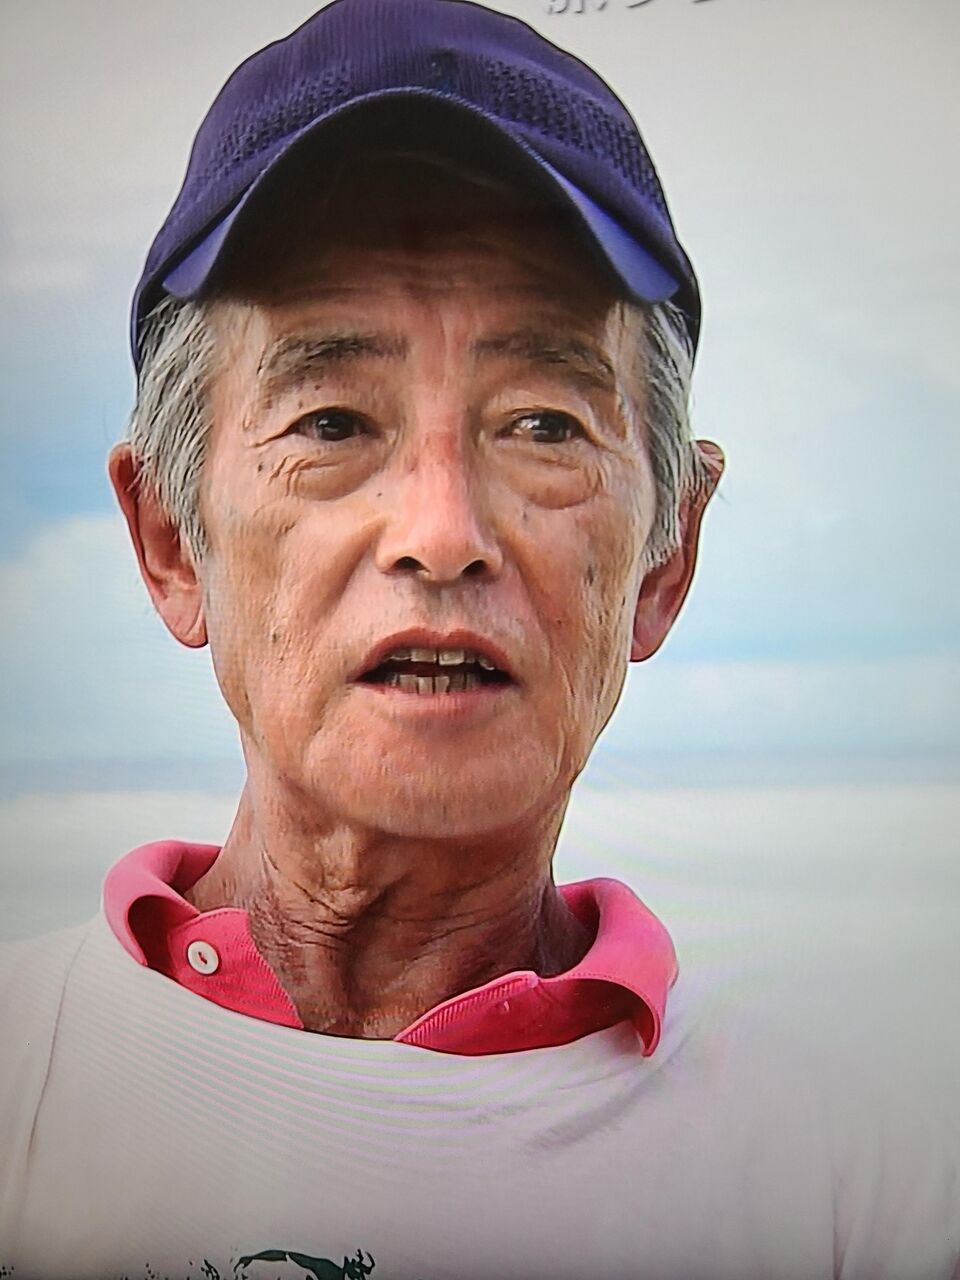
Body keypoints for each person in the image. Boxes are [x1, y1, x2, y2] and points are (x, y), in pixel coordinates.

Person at [1, 2, 956, 1277]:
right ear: (172, 540)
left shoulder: (858, 1200)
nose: (442, 533)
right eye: (332, 422)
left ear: (666, 555)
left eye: (546, 425)